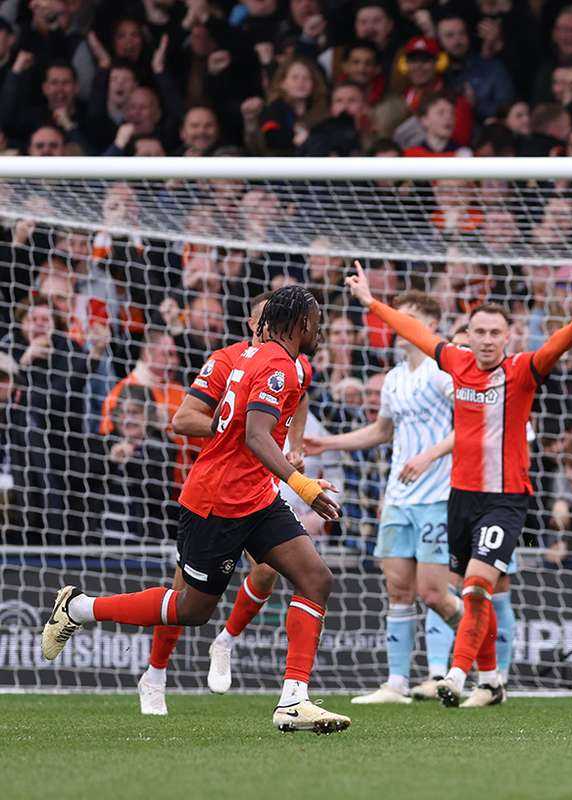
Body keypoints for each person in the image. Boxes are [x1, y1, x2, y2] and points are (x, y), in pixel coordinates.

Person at [41, 287, 349, 734]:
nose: (320, 329)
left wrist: (291, 461)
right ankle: (81, 608)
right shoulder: (274, 366)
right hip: (217, 502)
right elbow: (256, 436)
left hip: (256, 496)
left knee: (316, 577)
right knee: (192, 608)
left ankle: (293, 700)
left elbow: (266, 428)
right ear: (300, 324)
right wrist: (300, 482)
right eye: (317, 321)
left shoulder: (266, 362)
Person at [344, 261, 572, 708]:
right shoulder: (456, 363)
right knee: (470, 591)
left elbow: (555, 347)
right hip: (459, 498)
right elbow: (415, 330)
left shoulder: (522, 370)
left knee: (476, 587)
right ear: (469, 333)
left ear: (508, 337)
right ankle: (491, 681)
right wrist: (371, 303)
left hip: (505, 500)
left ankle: (457, 673)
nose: (485, 340)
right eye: (478, 332)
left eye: (493, 333)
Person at [135, 291, 311, 715]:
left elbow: (300, 398)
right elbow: (181, 420)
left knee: (271, 570)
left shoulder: (294, 366)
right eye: (259, 323)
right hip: (217, 491)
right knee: (185, 595)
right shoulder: (225, 360)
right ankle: (155, 674)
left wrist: (296, 444)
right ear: (255, 325)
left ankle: (225, 641)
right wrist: (230, 424)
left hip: (261, 488)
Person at [305, 290, 464, 705]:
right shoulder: (394, 378)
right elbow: (381, 431)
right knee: (398, 590)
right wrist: (329, 445)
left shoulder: (441, 372)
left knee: (433, 593)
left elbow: (469, 425)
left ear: (428, 325)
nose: (396, 324)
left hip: (436, 495)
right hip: (398, 497)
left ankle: (477, 653)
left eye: (406, 317)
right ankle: (396, 684)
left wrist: (429, 456)